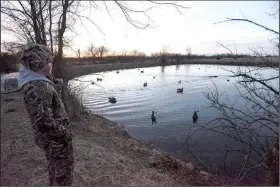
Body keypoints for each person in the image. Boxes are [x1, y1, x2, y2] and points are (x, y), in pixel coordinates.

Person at [18, 43, 74, 186]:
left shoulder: (35, 82)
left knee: (55, 169)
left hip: (50, 140)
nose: (51, 64)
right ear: (39, 64)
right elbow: (43, 121)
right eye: (49, 61)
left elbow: (43, 102)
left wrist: (54, 84)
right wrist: (65, 133)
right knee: (63, 175)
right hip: (56, 140)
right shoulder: (40, 86)